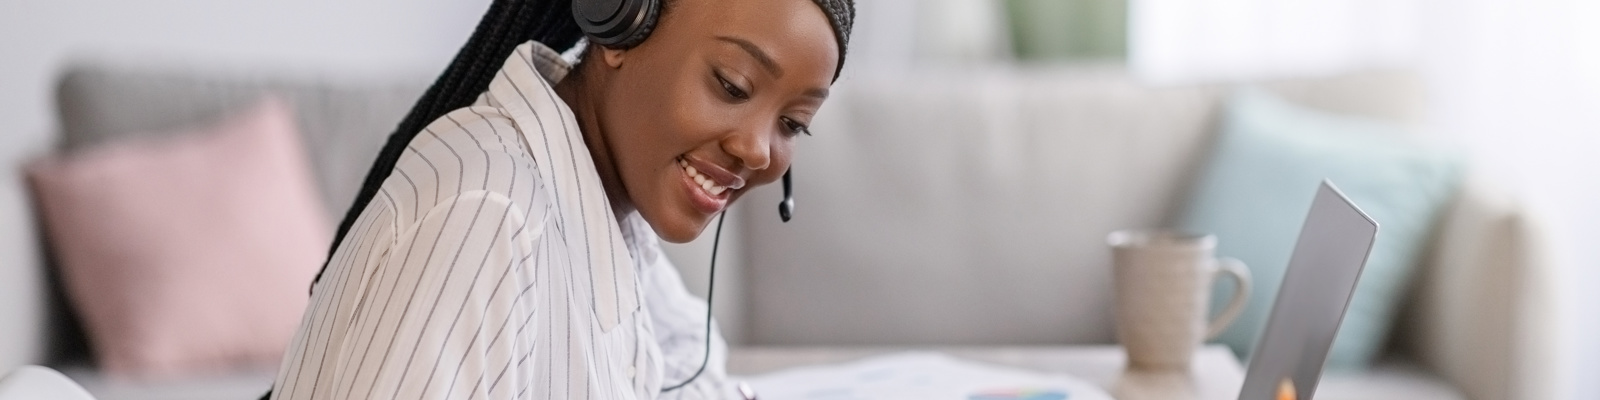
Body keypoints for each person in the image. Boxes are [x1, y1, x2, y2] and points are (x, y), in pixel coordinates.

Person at [265, 0, 854, 398]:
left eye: (794, 123)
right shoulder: (488, 212)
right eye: (732, 84)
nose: (758, 151)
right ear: (622, 24)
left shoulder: (603, 208)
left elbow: (692, 365)